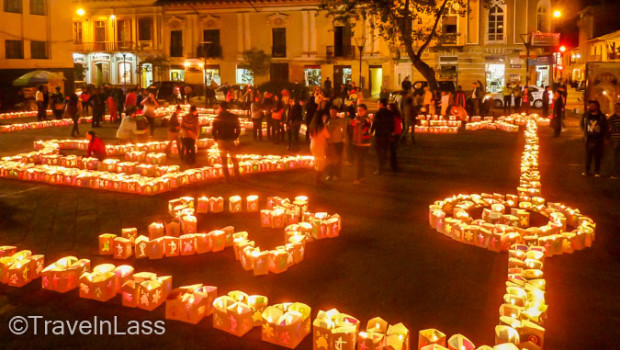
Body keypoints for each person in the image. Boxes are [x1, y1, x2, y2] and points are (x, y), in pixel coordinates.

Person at [212, 102, 241, 181]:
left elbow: (214, 130)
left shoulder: (217, 118)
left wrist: (216, 139)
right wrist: (235, 136)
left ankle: (227, 178)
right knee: (234, 158)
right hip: (231, 139)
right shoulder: (233, 117)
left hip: (221, 140)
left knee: (224, 159)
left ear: (220, 107)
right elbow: (238, 128)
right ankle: (237, 175)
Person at [580, 100, 608, 177]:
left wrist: (605, 137)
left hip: (599, 139)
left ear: (597, 106)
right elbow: (582, 124)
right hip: (589, 138)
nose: (591, 107)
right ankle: (587, 170)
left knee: (597, 156)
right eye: (590, 105)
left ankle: (597, 171)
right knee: (588, 156)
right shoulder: (586, 116)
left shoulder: (601, 116)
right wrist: (586, 131)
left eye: (592, 105)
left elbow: (605, 127)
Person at [371, 98, 395, 175]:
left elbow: (375, 123)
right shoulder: (390, 113)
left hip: (379, 134)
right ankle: (383, 165)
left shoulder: (378, 113)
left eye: (378, 103)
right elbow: (392, 124)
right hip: (387, 134)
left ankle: (380, 167)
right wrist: (391, 132)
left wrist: (371, 131)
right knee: (384, 150)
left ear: (381, 104)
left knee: (378, 151)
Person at [351, 104, 372, 184]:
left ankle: (358, 178)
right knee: (360, 161)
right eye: (358, 110)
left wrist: (358, 123)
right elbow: (351, 126)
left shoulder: (367, 119)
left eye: (361, 110)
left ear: (365, 111)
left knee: (359, 161)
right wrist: (353, 123)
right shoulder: (357, 118)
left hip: (364, 143)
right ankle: (362, 177)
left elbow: (366, 128)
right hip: (356, 142)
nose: (359, 112)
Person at [308, 110, 330, 186]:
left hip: (313, 145)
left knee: (318, 163)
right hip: (319, 146)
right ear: (321, 117)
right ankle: (317, 181)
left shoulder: (313, 124)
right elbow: (327, 135)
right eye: (324, 116)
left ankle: (318, 181)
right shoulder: (322, 126)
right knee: (321, 164)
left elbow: (310, 136)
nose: (325, 117)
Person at [326, 105, 347, 181]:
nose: (333, 113)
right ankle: (329, 174)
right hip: (329, 142)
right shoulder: (327, 120)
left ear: (337, 112)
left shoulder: (341, 121)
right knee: (329, 160)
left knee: (338, 159)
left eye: (334, 112)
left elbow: (344, 131)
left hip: (339, 142)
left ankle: (336, 174)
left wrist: (345, 140)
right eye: (331, 112)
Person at [607, 103, 620, 179]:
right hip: (614, 139)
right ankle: (615, 172)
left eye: (618, 107)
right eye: (616, 107)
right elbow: (608, 129)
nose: (617, 108)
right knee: (614, 157)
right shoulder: (612, 118)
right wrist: (608, 138)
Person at [388, 103, 402, 172]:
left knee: (392, 152)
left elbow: (393, 126)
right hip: (397, 134)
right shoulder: (398, 115)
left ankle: (394, 166)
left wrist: (391, 134)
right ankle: (394, 165)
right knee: (393, 151)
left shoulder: (392, 116)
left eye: (389, 108)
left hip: (393, 134)